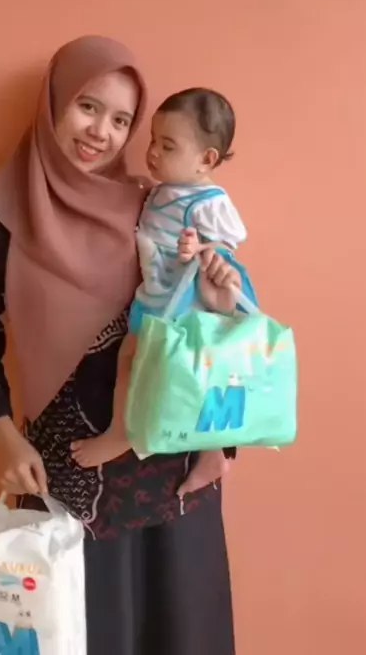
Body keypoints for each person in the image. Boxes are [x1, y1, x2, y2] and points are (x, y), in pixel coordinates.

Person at [0, 36, 251, 655]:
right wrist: (4, 436)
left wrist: (221, 442)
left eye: (121, 120)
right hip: (67, 486)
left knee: (183, 635)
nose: (101, 133)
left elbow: (209, 319)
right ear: (54, 102)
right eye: (88, 107)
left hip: (174, 476)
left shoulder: (153, 205)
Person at [72, 87, 248, 497]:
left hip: (186, 305)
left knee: (174, 371)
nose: (152, 152)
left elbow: (229, 244)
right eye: (153, 140)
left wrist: (202, 248)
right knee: (153, 367)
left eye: (167, 146)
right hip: (155, 296)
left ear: (207, 160)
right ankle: (207, 453)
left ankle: (127, 431)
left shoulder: (206, 201)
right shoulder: (161, 191)